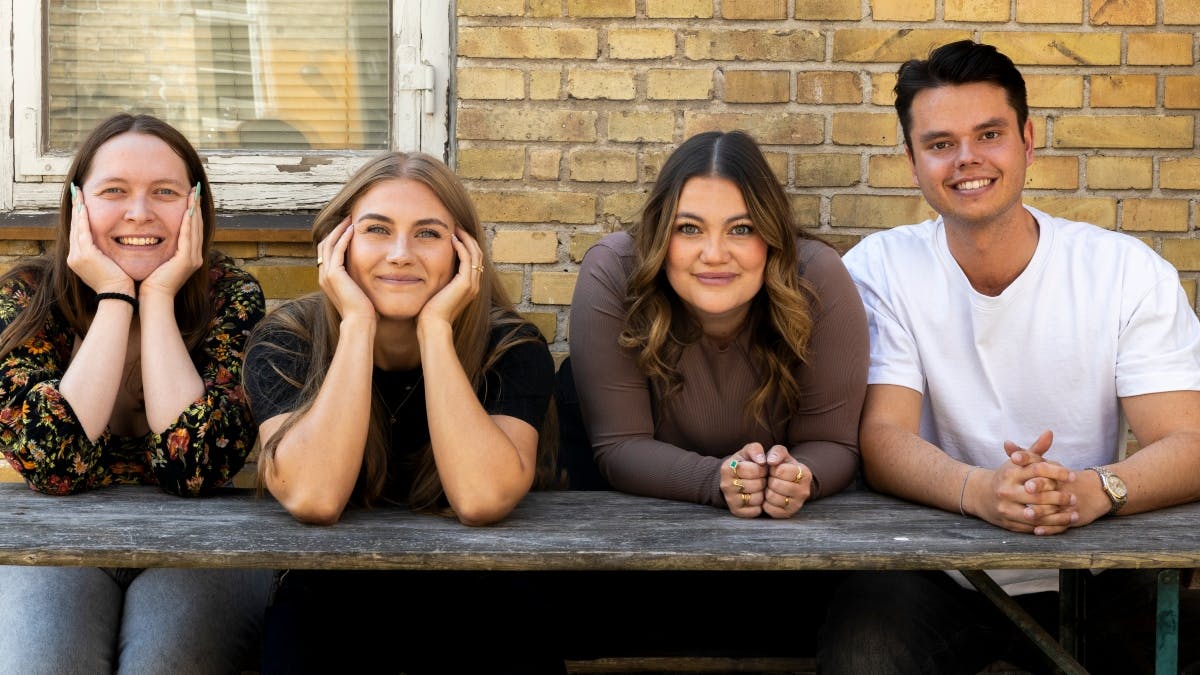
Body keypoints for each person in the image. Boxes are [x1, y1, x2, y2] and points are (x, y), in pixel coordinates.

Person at [819, 40, 1200, 674]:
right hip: (930, 565)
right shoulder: (880, 269)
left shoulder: (1123, 270)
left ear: (1027, 140)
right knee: (864, 651)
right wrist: (983, 490)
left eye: (988, 134)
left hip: (1096, 561)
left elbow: (1188, 440)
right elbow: (882, 437)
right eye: (940, 144)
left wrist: (1093, 490)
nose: (967, 159)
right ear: (912, 162)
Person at [242, 150, 560, 673]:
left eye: (429, 234)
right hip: (329, 592)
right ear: (338, 245)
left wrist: (436, 330)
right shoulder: (286, 341)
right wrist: (357, 326)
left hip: (484, 592)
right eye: (376, 229)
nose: (400, 253)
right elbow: (314, 497)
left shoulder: (511, 347)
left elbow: (481, 500)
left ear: (465, 252)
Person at [558, 129, 868, 658]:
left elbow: (835, 444)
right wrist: (717, 478)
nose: (714, 254)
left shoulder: (816, 275)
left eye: (741, 228)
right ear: (661, 233)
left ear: (770, 236)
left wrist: (798, 477)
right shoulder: (615, 271)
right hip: (635, 545)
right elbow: (618, 445)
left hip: (783, 556)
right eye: (689, 228)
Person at [0, 113, 271, 674]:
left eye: (165, 192)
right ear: (78, 205)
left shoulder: (230, 297)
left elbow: (194, 468)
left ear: (196, 206)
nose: (140, 212)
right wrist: (116, 297)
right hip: (53, 547)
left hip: (202, 548)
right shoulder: (26, 297)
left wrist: (160, 295)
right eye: (114, 191)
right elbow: (57, 465)